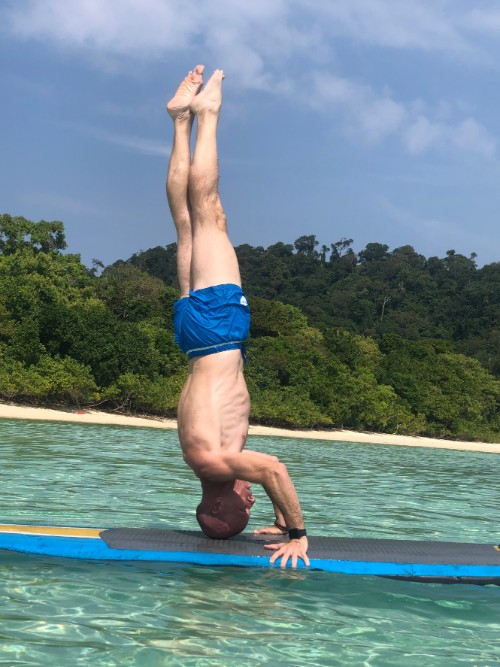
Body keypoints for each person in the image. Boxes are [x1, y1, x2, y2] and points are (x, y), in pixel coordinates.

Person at [166, 65, 309, 568]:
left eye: (243, 508)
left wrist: (296, 533)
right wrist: (274, 514)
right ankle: (181, 121)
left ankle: (207, 116)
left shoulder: (217, 463)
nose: (248, 500)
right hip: (194, 337)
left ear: (222, 503)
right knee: (185, 223)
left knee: (208, 209)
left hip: (219, 331)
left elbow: (273, 468)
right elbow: (261, 475)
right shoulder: (201, 462)